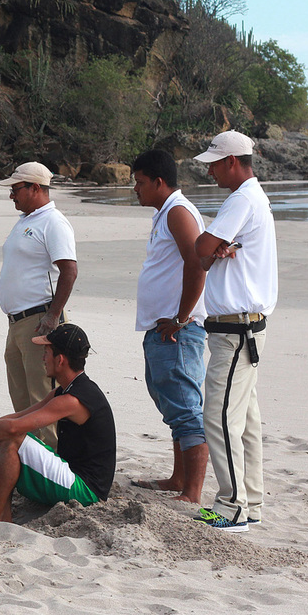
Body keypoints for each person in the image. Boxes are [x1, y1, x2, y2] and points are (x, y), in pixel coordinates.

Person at [191, 130, 278, 533]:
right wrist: (215, 251)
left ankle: (232, 508)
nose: (209, 170)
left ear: (231, 161)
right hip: (246, 327)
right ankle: (251, 502)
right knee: (244, 419)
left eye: (213, 162)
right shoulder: (253, 197)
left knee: (220, 416)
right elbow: (208, 252)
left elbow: (200, 247)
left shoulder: (241, 198)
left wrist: (213, 250)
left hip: (235, 331)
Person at [0, 324, 116, 523]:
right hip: (72, 474)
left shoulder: (72, 400)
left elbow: (13, 428)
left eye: (46, 352)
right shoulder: (66, 390)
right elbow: (17, 417)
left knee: (9, 436)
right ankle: (1, 511)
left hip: (87, 491)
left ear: (60, 360)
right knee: (1, 434)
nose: (43, 358)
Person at [0, 161, 77, 448]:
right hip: (16, 322)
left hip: (40, 319)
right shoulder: (25, 222)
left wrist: (53, 316)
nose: (11, 195)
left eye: (16, 189)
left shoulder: (53, 223)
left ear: (35, 188)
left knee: (43, 399)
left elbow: (69, 271)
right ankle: (30, 458)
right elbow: (11, 271)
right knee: (22, 399)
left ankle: (52, 460)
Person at [127, 150, 210, 503]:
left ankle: (191, 492)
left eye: (140, 182)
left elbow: (197, 263)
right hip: (165, 327)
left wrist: (181, 317)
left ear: (159, 182)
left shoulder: (177, 211)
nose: (135, 189)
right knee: (171, 403)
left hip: (177, 330)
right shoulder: (166, 212)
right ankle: (179, 479)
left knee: (185, 407)